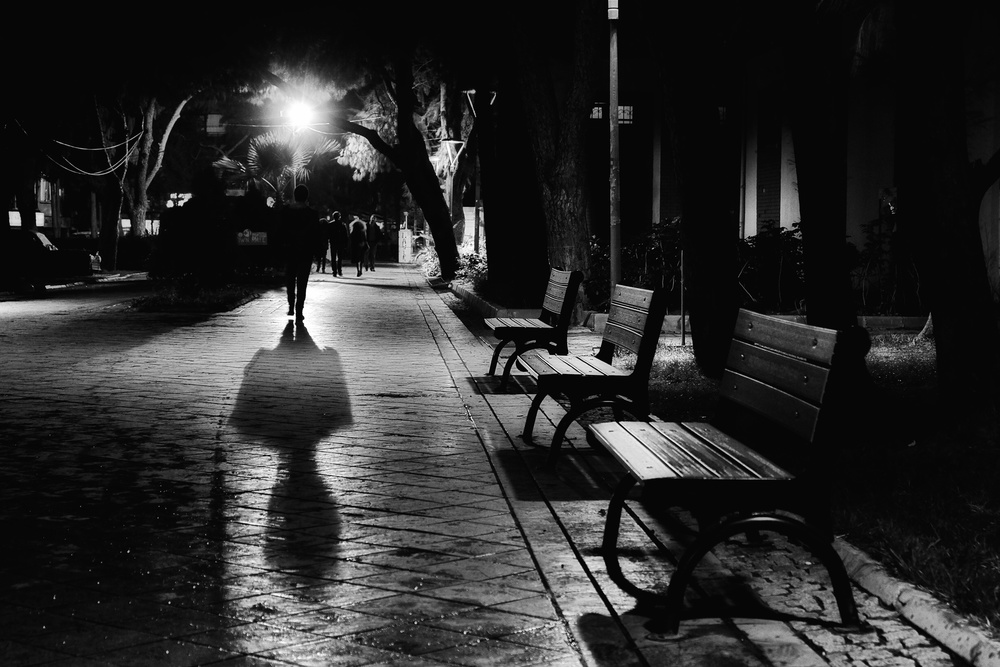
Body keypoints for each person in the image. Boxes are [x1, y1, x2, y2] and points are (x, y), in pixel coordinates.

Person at [279, 184, 320, 322]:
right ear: (306, 197)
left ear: (294, 195)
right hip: (305, 252)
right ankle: (299, 310)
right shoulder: (312, 214)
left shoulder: (286, 211)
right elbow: (316, 235)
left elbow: (280, 230)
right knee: (302, 282)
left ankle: (291, 305)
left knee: (290, 279)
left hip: (290, 250)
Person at [328, 211, 349, 277]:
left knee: (333, 257)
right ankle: (339, 270)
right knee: (340, 258)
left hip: (333, 242)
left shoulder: (330, 224)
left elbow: (328, 234)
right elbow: (345, 235)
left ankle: (334, 271)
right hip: (340, 243)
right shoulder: (342, 224)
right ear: (339, 217)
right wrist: (346, 243)